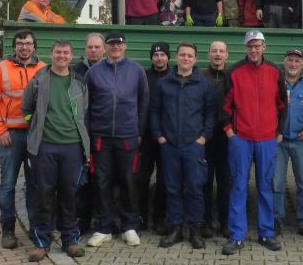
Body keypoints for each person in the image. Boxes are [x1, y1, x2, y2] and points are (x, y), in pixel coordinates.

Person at [219, 30, 286, 255]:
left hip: (267, 139)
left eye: (257, 46)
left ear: (264, 47)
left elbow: (283, 105)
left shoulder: (276, 71)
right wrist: (230, 132)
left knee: (266, 186)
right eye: (250, 46)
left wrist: (279, 132)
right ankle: (237, 235)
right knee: (238, 186)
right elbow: (224, 107)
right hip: (241, 140)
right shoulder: (234, 72)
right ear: (245, 48)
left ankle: (266, 233)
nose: (254, 50)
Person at [21, 40, 89, 262]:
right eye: (58, 52)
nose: (62, 56)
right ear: (51, 54)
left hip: (72, 146)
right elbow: (26, 109)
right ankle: (42, 243)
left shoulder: (79, 81)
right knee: (44, 195)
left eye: (66, 52)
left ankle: (71, 240)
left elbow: (84, 112)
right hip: (45, 147)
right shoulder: (39, 80)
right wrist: (36, 126)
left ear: (72, 55)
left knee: (70, 194)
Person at [85, 31, 149, 248]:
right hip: (101, 137)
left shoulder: (136, 71)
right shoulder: (93, 73)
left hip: (128, 136)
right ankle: (103, 227)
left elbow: (143, 103)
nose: (115, 48)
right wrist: (89, 134)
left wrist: (138, 131)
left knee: (128, 181)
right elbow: (86, 106)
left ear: (125, 46)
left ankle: (129, 226)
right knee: (101, 182)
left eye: (119, 44)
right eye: (111, 44)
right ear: (105, 48)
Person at [150, 42, 217, 250]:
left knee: (195, 188)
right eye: (182, 55)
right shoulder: (164, 83)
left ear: (195, 59)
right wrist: (159, 136)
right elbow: (154, 112)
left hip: (194, 145)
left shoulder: (204, 83)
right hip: (169, 145)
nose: (186, 58)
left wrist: (204, 137)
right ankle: (176, 228)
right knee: (172, 188)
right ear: (176, 58)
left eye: (190, 56)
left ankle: (195, 230)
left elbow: (211, 113)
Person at [0, 28, 45, 250]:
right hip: (10, 136)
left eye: (28, 43)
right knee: (8, 184)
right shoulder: (1, 69)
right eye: (20, 43)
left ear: (34, 46)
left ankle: (35, 228)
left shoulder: (43, 69)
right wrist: (0, 131)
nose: (24, 47)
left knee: (35, 185)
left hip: (34, 136)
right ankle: (8, 230)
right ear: (15, 46)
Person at [273, 48, 303, 240]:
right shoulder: (275, 83)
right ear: (284, 63)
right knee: (275, 183)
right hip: (278, 141)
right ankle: (276, 220)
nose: (293, 64)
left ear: (302, 65)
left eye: (297, 61)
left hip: (301, 141)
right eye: (290, 60)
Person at [71, 32, 105, 233]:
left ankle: (102, 220)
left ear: (103, 49)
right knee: (81, 179)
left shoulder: (110, 69)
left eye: (97, 47)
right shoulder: (75, 71)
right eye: (90, 47)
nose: (93, 50)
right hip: (79, 133)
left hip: (102, 133)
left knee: (102, 179)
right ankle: (82, 220)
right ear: (86, 49)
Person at [138, 42, 170, 235]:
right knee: (141, 179)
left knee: (164, 181)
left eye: (163, 55)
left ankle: (160, 218)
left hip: (167, 138)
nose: (159, 58)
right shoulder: (143, 77)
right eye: (156, 55)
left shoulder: (174, 76)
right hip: (146, 137)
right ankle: (141, 216)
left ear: (168, 57)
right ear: (151, 58)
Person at [201, 40, 232, 239]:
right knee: (204, 182)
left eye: (221, 51)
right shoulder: (200, 77)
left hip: (227, 137)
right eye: (214, 51)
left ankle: (225, 223)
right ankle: (205, 223)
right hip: (205, 137)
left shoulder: (234, 76)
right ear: (209, 54)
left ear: (226, 55)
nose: (218, 54)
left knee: (225, 182)